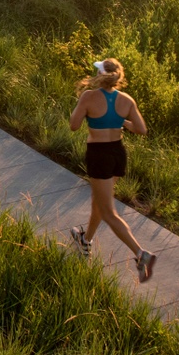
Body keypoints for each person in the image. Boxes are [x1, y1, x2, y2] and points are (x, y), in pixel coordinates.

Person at [69, 58, 156, 282]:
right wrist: (123, 123)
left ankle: (141, 254)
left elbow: (74, 125)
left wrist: (84, 110)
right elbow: (142, 129)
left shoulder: (88, 97)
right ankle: (85, 241)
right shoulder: (126, 100)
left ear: (99, 75)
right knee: (100, 203)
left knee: (108, 212)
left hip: (99, 155)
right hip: (118, 154)